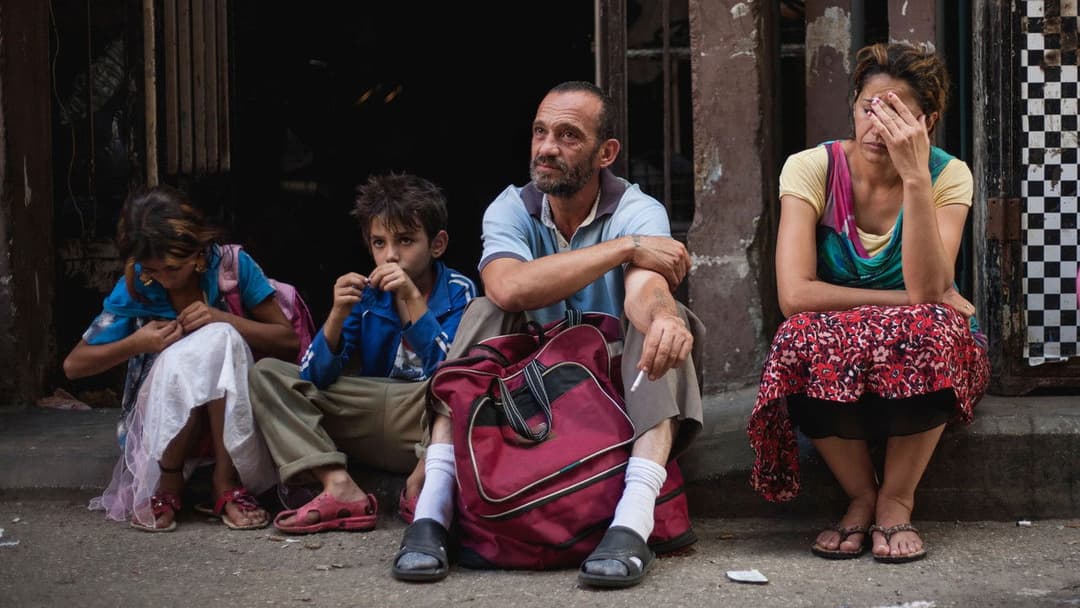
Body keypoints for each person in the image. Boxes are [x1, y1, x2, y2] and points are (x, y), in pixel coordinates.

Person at [390, 80, 704, 588]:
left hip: (611, 392)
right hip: (527, 394)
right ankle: (432, 511)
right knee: (486, 309)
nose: (547, 148)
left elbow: (644, 290)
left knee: (666, 324)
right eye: (540, 132)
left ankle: (633, 522)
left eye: (567, 136)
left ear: (606, 153)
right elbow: (509, 288)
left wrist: (664, 312)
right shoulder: (511, 207)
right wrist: (624, 248)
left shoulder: (638, 209)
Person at [747, 42, 990, 563]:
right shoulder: (812, 168)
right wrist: (900, 298)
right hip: (840, 351)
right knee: (799, 336)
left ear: (928, 120)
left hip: (914, 352)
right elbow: (795, 295)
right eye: (868, 109)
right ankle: (859, 494)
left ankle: (896, 499)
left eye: (897, 113)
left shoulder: (949, 176)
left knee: (931, 328)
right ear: (854, 107)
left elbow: (929, 298)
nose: (878, 127)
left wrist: (916, 177)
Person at [248, 173, 476, 534]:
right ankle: (338, 484)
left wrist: (412, 300)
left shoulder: (459, 290)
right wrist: (337, 315)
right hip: (367, 405)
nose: (391, 255)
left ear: (437, 244)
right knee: (269, 374)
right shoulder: (366, 296)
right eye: (379, 243)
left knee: (466, 390)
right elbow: (314, 378)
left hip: (422, 415)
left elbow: (449, 371)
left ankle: (427, 476)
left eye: (405, 241)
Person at [65, 185, 299, 532]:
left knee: (221, 339)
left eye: (172, 268)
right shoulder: (138, 284)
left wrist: (224, 319)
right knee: (185, 356)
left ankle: (225, 480)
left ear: (199, 252)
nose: (161, 279)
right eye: (151, 270)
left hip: (235, 419)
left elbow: (288, 341)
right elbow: (74, 365)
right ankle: (168, 479)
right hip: (168, 428)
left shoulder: (231, 268)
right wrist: (137, 343)